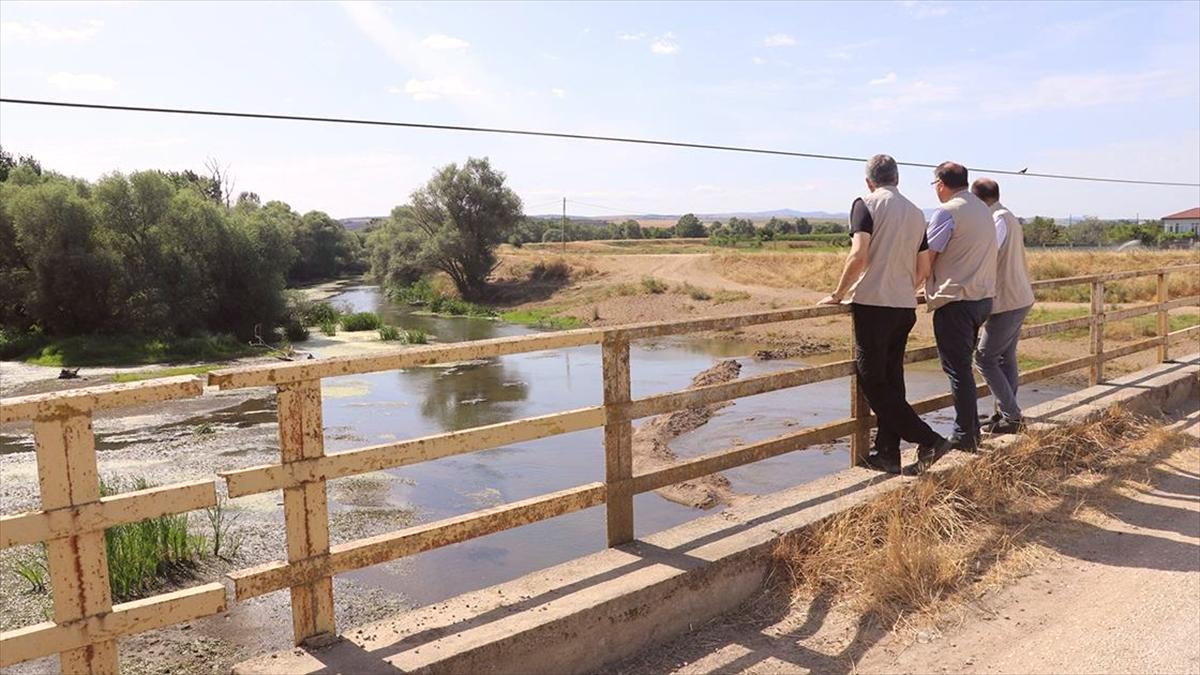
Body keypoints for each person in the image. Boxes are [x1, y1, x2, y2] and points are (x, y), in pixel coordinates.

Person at [818, 154, 950, 474]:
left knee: (873, 381)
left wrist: (838, 294)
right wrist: (905, 286)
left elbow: (859, 254)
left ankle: (929, 439)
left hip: (873, 305)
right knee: (892, 380)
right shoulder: (917, 213)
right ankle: (888, 454)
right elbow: (924, 268)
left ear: (869, 181)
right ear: (898, 179)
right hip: (904, 306)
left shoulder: (865, 204)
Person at [924, 162, 998, 452]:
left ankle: (965, 433)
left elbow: (928, 256)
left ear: (941, 183)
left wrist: (915, 282)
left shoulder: (947, 211)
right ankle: (970, 430)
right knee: (963, 367)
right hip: (982, 298)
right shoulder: (982, 209)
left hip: (956, 299)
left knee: (958, 369)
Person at [971, 178, 1035, 434]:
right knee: (1005, 357)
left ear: (977, 200)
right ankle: (1007, 413)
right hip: (1019, 297)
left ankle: (1012, 416)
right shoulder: (1008, 216)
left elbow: (988, 254)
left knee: (984, 358)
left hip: (1006, 299)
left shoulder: (996, 219)